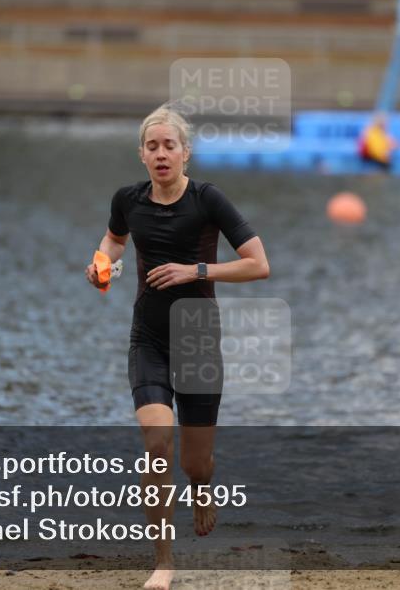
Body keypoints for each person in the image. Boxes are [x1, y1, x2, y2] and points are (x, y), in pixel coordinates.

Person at [86, 106, 270, 590]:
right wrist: (101, 264)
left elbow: (258, 264)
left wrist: (196, 271)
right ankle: (163, 563)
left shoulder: (208, 200)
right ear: (141, 155)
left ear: (185, 153)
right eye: (153, 146)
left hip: (198, 339)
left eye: (170, 146)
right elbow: (113, 240)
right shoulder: (127, 199)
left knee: (195, 463)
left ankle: (203, 489)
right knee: (156, 444)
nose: (161, 154)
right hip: (147, 338)